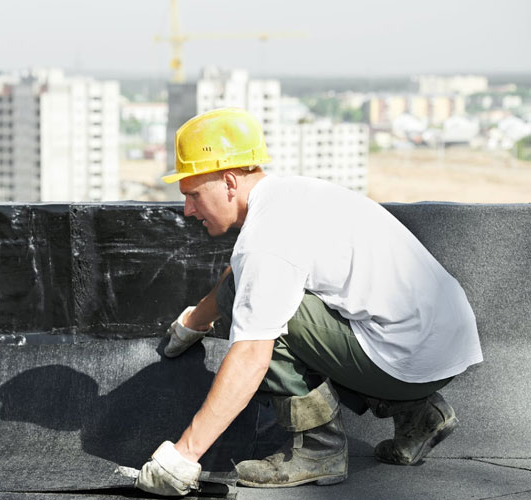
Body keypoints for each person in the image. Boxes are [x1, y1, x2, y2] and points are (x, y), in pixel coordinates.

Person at [134, 108, 483, 496]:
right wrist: (194, 322)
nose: (188, 210)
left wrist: (183, 456)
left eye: (193, 195)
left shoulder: (266, 237)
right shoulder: (291, 194)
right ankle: (418, 414)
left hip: (408, 360)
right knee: (253, 291)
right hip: (440, 345)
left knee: (260, 315)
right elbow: (243, 273)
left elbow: (251, 356)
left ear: (229, 182)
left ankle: (319, 450)